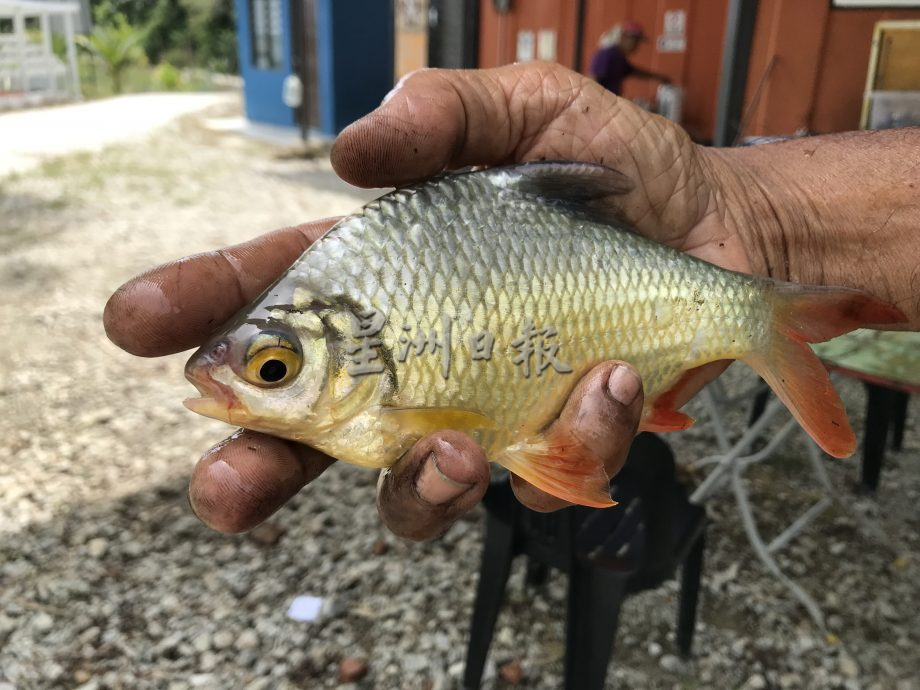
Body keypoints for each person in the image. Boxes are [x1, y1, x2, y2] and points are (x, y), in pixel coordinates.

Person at [104, 62, 919, 541]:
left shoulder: (364, 296)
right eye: (274, 366)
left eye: (274, 365)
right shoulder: (355, 279)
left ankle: (756, 318)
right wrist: (760, 221)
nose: (254, 379)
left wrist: (756, 226)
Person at [589, 21, 670, 96]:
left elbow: (634, 71)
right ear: (623, 37)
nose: (636, 46)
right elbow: (593, 80)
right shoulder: (606, 54)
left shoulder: (619, 57)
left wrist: (659, 77)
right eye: (635, 41)